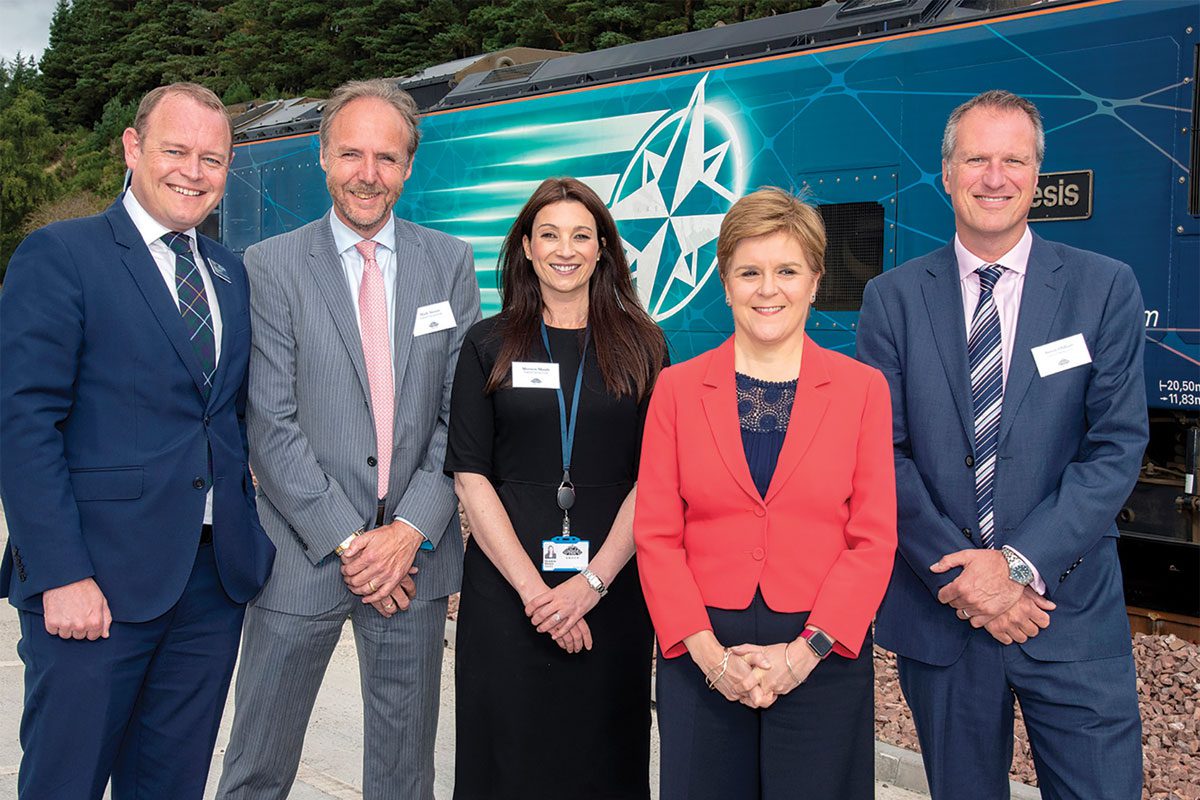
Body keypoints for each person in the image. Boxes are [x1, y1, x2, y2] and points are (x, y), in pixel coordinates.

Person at [856, 90, 1148, 800]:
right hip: (943, 615)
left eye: (1013, 160)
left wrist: (1016, 568)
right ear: (947, 173)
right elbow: (878, 454)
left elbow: (1115, 447)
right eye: (977, 159)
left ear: (1037, 177)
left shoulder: (1104, 288)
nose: (995, 177)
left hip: (1067, 613)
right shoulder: (891, 298)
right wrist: (964, 582)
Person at [0, 82, 275, 799]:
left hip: (211, 588)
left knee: (170, 786)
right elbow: (24, 424)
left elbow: (228, 417)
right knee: (67, 780)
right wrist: (60, 573)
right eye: (176, 150)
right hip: (95, 584)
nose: (193, 171)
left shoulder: (229, 273)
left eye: (211, 158)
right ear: (133, 147)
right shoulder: (61, 254)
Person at [216, 79, 481, 800]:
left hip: (414, 563)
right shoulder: (268, 267)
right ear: (323, 157)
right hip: (301, 555)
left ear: (408, 168)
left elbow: (461, 419)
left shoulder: (450, 265)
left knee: (404, 773)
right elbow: (269, 423)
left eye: (387, 158)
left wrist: (407, 533)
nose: (369, 174)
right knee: (258, 766)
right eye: (353, 154)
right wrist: (350, 542)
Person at [634, 187, 897, 800]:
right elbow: (656, 535)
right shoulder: (675, 390)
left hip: (822, 651)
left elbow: (874, 537)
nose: (767, 289)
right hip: (700, 649)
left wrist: (803, 655)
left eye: (787, 271)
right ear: (725, 283)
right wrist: (709, 657)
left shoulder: (862, 391)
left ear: (814, 281)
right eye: (749, 272)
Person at [446, 177, 667, 800]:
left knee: (602, 759)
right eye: (549, 235)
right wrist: (538, 594)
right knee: (508, 762)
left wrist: (589, 585)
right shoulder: (486, 344)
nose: (564, 249)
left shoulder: (644, 346)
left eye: (580, 235)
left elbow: (655, 480)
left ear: (603, 249)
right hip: (507, 595)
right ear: (524, 248)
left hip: (612, 592)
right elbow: (471, 476)